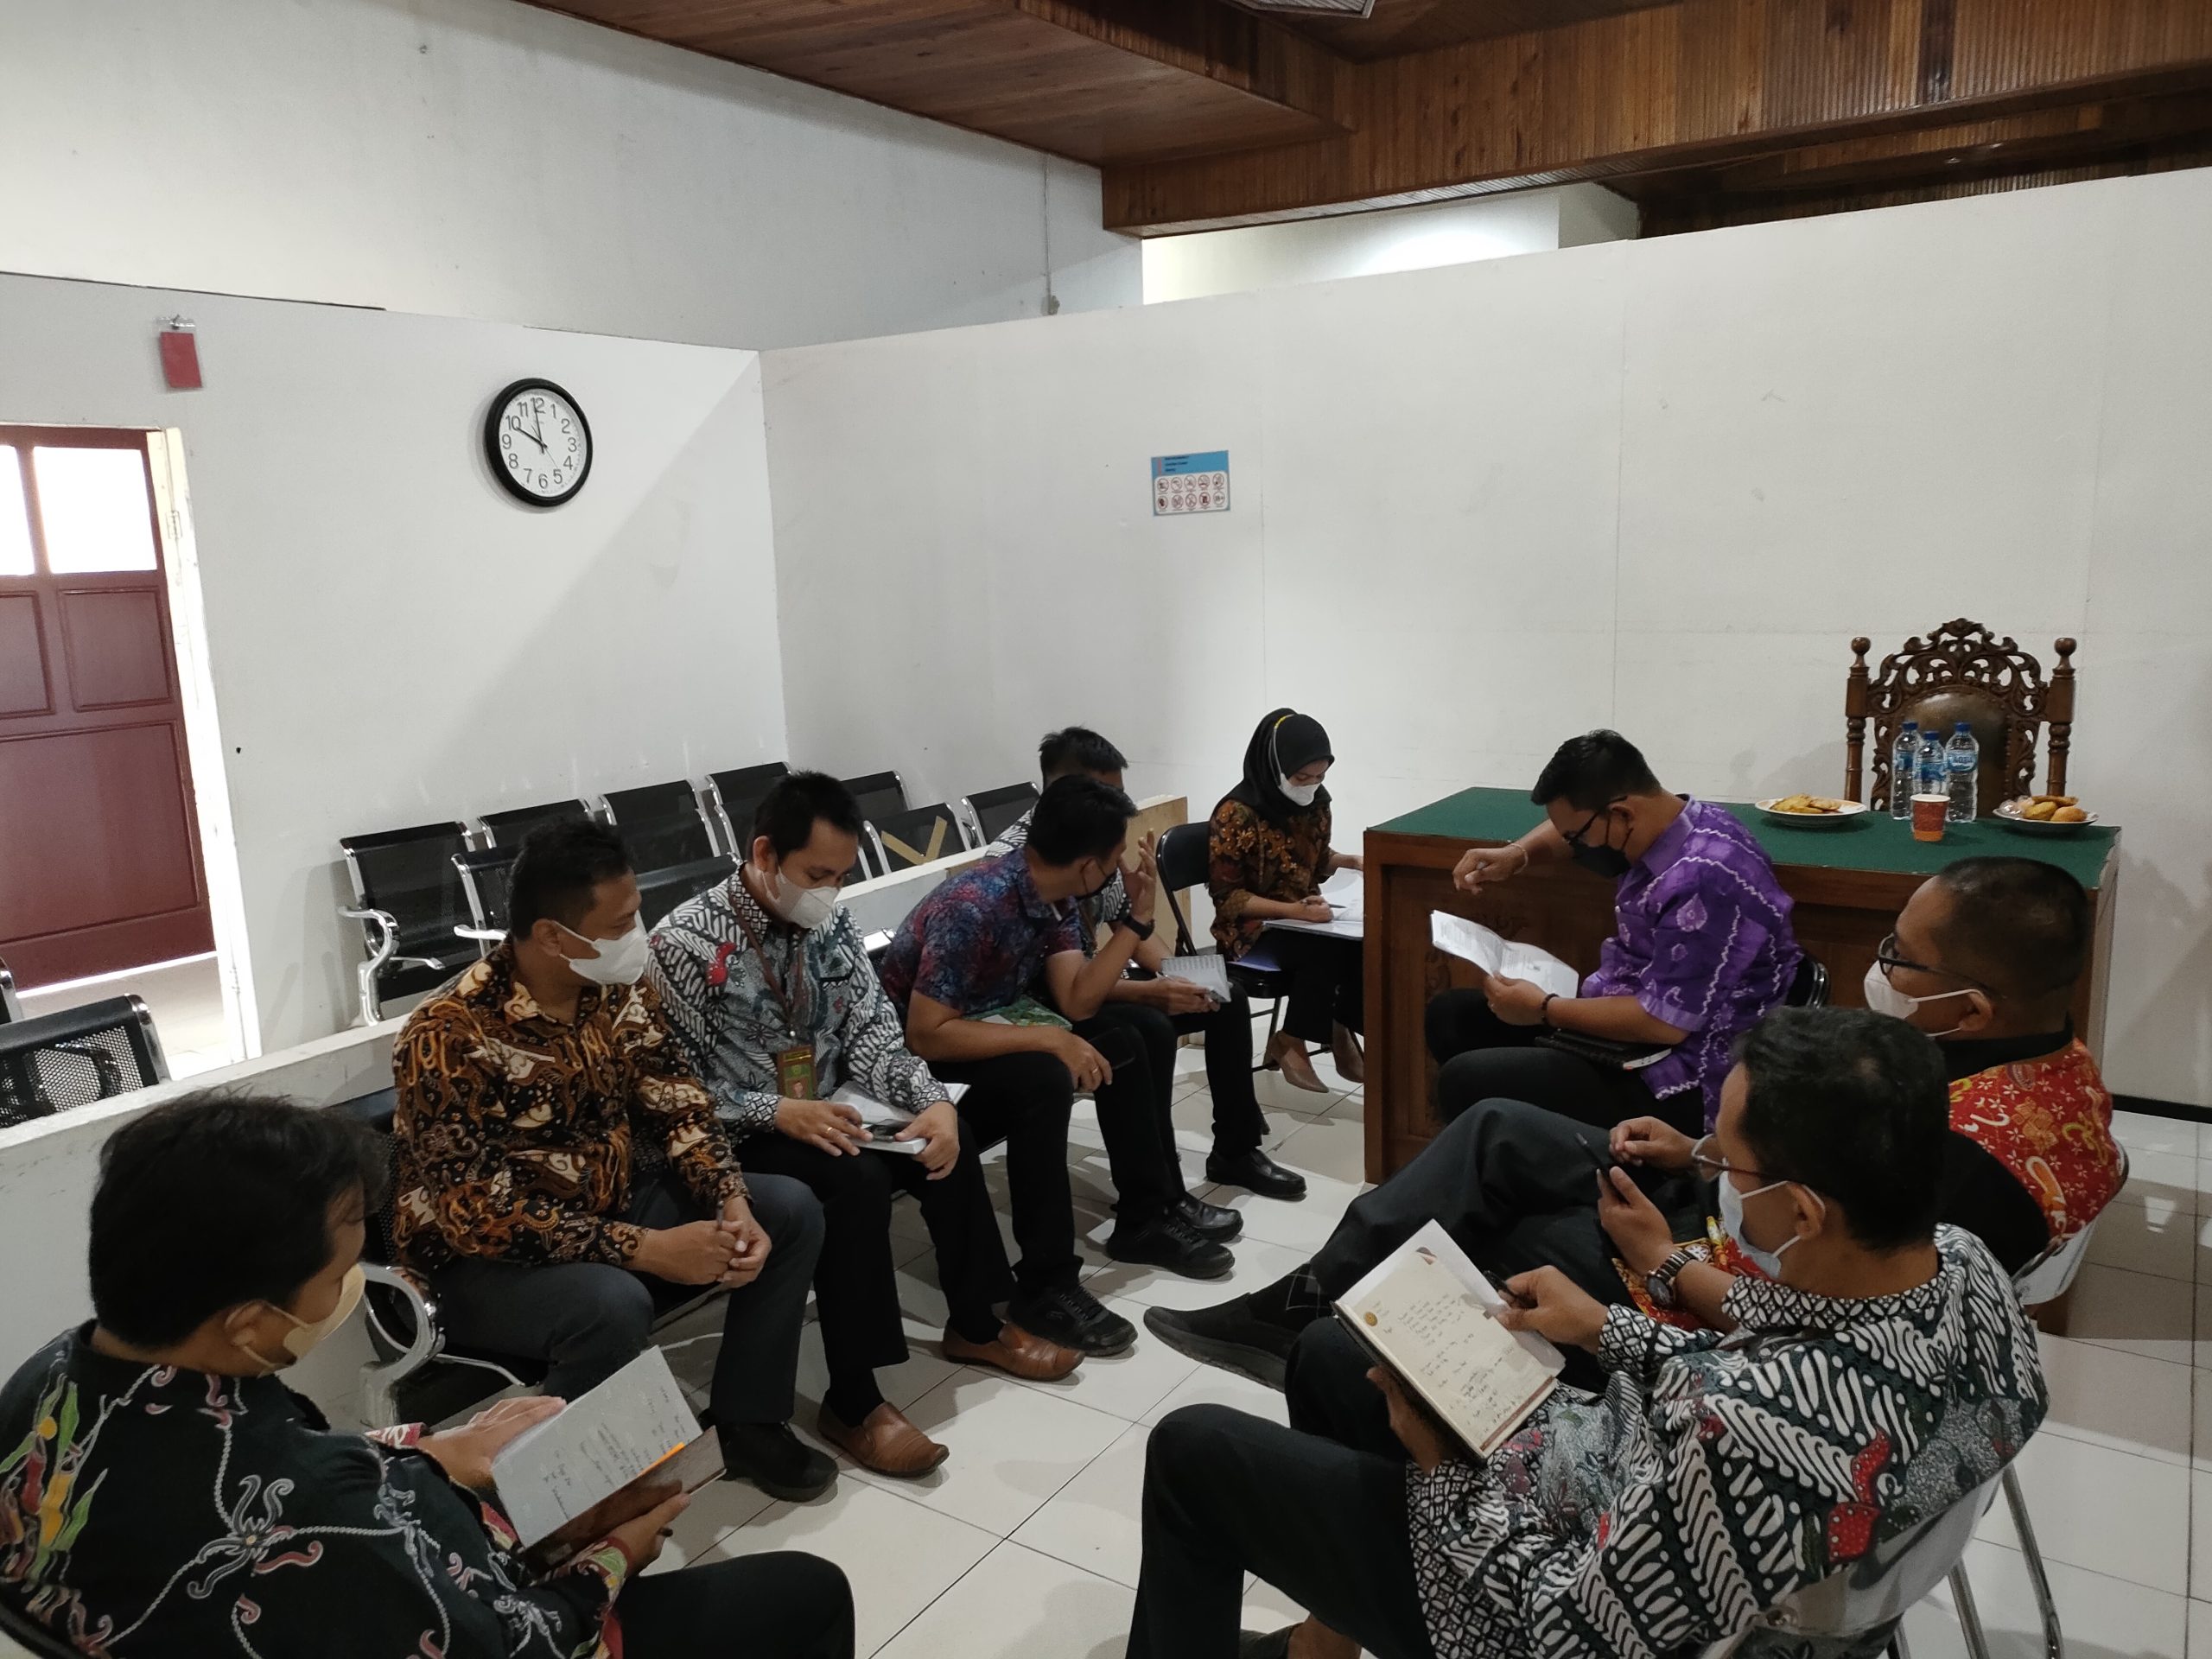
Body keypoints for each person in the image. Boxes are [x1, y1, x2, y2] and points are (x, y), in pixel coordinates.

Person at [1126, 1008, 2049, 1659]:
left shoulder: (1753, 1430)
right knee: (1340, 1353)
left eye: (1727, 1163)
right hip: (1673, 1506)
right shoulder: (1962, 1265)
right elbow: (1797, 1336)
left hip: (1554, 1602)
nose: (1714, 1177)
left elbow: (1562, 1631)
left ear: (1803, 1210)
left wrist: (1446, 1475)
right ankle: (1324, 1646)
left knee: (1192, 1450)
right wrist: (1609, 1328)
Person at [1147, 855, 2122, 1390]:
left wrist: (1662, 1259)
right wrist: (1699, 1154)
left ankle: (1370, 1378)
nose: (1883, 970)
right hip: (1733, 1208)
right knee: (1496, 1126)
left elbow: (1837, 1330)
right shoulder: (2053, 1071)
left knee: (1495, 1227)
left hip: (1714, 1298)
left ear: (1973, 1007)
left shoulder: (1974, 1160)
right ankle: (1313, 1305)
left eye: (1900, 958)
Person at [0, 1091, 855, 1659]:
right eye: (339, 1274)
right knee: (805, 1592)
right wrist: (613, 1557)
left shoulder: (49, 1383)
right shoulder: (319, 1516)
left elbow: (290, 1470)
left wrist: (429, 1454)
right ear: (249, 1322)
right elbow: (507, 1644)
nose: (351, 1289)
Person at [648, 771, 1082, 1478]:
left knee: (942, 1138)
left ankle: (976, 1324)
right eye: (817, 875)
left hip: (831, 1107)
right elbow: (676, 1091)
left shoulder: (829, 922)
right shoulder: (684, 944)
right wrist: (777, 1110)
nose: (830, 892)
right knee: (853, 1181)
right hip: (739, 1134)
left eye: (842, 877)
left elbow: (874, 1031)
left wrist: (933, 1101)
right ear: (764, 854)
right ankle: (853, 1400)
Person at [393, 819, 835, 1503]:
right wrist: (649, 1249)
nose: (639, 936)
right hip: (479, 1263)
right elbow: (479, 1218)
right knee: (611, 1303)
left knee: (788, 1209)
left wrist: (730, 1198)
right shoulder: (449, 1033)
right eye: (622, 924)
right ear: (552, 935)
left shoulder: (614, 988)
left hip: (607, 1205)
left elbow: (677, 1100)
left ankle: (750, 1422)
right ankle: (552, 1503)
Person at [880, 775, 1232, 1338]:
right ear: (1089, 865)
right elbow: (926, 1035)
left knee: (1129, 1038)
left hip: (985, 1025)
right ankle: (1046, 1284)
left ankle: (1146, 1217)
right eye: (1115, 858)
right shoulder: (973, 906)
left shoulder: (1055, 893)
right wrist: (1050, 1039)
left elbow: (1077, 999)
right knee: (1043, 1077)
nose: (1119, 869)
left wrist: (1137, 922)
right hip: (917, 1062)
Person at [1430, 729, 1800, 1134]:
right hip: (1631, 1019)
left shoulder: (1705, 880)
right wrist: (1517, 855)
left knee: (1466, 1080)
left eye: (1578, 838)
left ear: (1623, 814)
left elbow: (1664, 1023)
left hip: (1683, 1067)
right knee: (1452, 1017)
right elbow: (1577, 824)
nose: (1577, 847)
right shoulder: (1674, 818)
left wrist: (1544, 1009)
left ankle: (1531, 1163)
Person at [990, 727, 1306, 1201]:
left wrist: (1178, 975)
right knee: (1146, 1029)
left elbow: (1129, 927)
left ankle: (1236, 1151)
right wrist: (1150, 991)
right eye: (1108, 795)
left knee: (1224, 995)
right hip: (1040, 1004)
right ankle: (1159, 1188)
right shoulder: (1022, 859)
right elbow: (1055, 988)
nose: (1122, 807)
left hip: (1089, 979)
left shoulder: (1099, 837)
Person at [1209, 709, 1363, 1095]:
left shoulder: (1315, 804)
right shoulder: (1236, 813)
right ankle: (1292, 1039)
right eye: (1301, 778)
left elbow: (1314, 859)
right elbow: (1228, 899)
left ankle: (1339, 1025)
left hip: (1302, 918)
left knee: (1363, 945)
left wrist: (1350, 861)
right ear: (1275, 767)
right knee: (1323, 951)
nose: (1310, 786)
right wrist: (1293, 912)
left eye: (1319, 777)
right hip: (1249, 932)